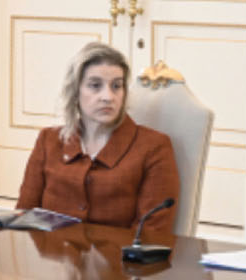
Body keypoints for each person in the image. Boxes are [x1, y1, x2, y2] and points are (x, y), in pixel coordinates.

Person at [15, 42, 179, 230]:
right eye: (95, 85)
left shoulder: (154, 146)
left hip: (119, 251)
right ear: (75, 91)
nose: (108, 97)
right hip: (49, 249)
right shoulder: (48, 140)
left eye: (116, 86)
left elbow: (152, 233)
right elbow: (23, 218)